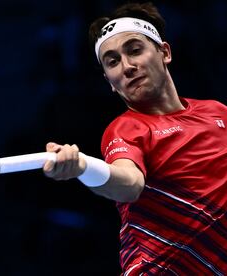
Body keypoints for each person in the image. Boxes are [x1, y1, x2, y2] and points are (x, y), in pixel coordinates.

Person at [43, 2, 227, 275]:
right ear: (109, 81)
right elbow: (129, 184)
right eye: (113, 61)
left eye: (134, 50)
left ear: (164, 52)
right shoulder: (126, 129)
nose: (127, 67)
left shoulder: (217, 112)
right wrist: (83, 167)